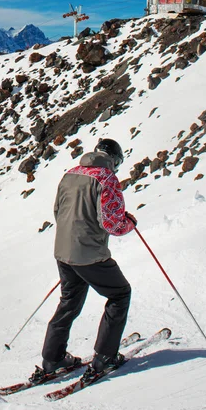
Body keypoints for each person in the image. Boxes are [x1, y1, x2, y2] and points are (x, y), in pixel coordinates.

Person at [29, 138, 137, 386]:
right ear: (114, 159)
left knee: (69, 302)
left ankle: (53, 360)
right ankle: (105, 357)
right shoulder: (107, 178)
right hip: (89, 254)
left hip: (63, 251)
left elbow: (58, 211)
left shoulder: (70, 173)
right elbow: (113, 223)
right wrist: (130, 223)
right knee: (120, 294)